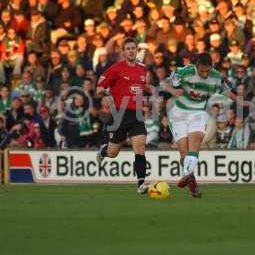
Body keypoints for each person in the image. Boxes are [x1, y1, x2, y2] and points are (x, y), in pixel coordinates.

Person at [164, 53, 232, 198]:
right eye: (201, 71)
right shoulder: (184, 72)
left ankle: (186, 175)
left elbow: (227, 91)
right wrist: (173, 90)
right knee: (183, 153)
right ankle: (191, 180)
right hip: (178, 113)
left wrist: (241, 100)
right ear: (196, 67)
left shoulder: (217, 77)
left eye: (207, 70)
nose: (205, 74)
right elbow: (165, 83)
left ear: (211, 67)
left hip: (198, 113)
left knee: (194, 146)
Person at [96, 37, 150, 195]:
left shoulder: (142, 68)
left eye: (134, 48)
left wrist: (157, 90)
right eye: (128, 48)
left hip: (137, 114)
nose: (132, 50)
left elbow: (143, 86)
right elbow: (100, 85)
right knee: (113, 153)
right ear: (123, 52)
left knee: (140, 148)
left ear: (136, 50)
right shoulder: (116, 68)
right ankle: (104, 151)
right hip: (120, 114)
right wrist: (102, 92)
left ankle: (141, 184)